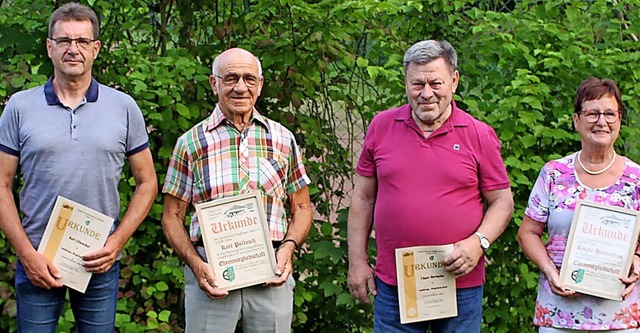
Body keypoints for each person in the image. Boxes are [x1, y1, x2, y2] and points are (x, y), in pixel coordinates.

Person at [0, 2, 157, 332]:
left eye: (82, 41)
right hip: (37, 258)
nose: (73, 49)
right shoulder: (20, 106)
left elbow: (147, 183)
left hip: (98, 260)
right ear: (49, 47)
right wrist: (27, 254)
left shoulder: (123, 107)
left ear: (96, 48)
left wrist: (116, 244)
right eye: (64, 41)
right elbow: (1, 185)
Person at [347, 40, 514, 333]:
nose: (426, 94)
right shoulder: (381, 126)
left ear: (454, 80)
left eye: (435, 83)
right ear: (406, 83)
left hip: (458, 283)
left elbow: (502, 201)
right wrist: (357, 261)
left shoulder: (479, 134)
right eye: (417, 84)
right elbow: (362, 198)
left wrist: (479, 242)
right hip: (395, 283)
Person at [161, 47, 313, 333]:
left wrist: (289, 249)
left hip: (271, 273)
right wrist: (195, 264)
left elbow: (302, 208)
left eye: (249, 79)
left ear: (260, 84)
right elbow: (172, 215)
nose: (240, 87)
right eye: (231, 78)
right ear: (214, 83)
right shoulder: (191, 143)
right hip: (211, 276)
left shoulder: (282, 138)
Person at [517, 77, 640, 332]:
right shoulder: (553, 173)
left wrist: (638, 260)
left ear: (619, 120)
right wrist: (550, 272)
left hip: (619, 317)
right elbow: (528, 232)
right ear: (576, 120)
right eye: (592, 113)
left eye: (610, 114)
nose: (601, 121)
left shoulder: (637, 178)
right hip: (559, 313)